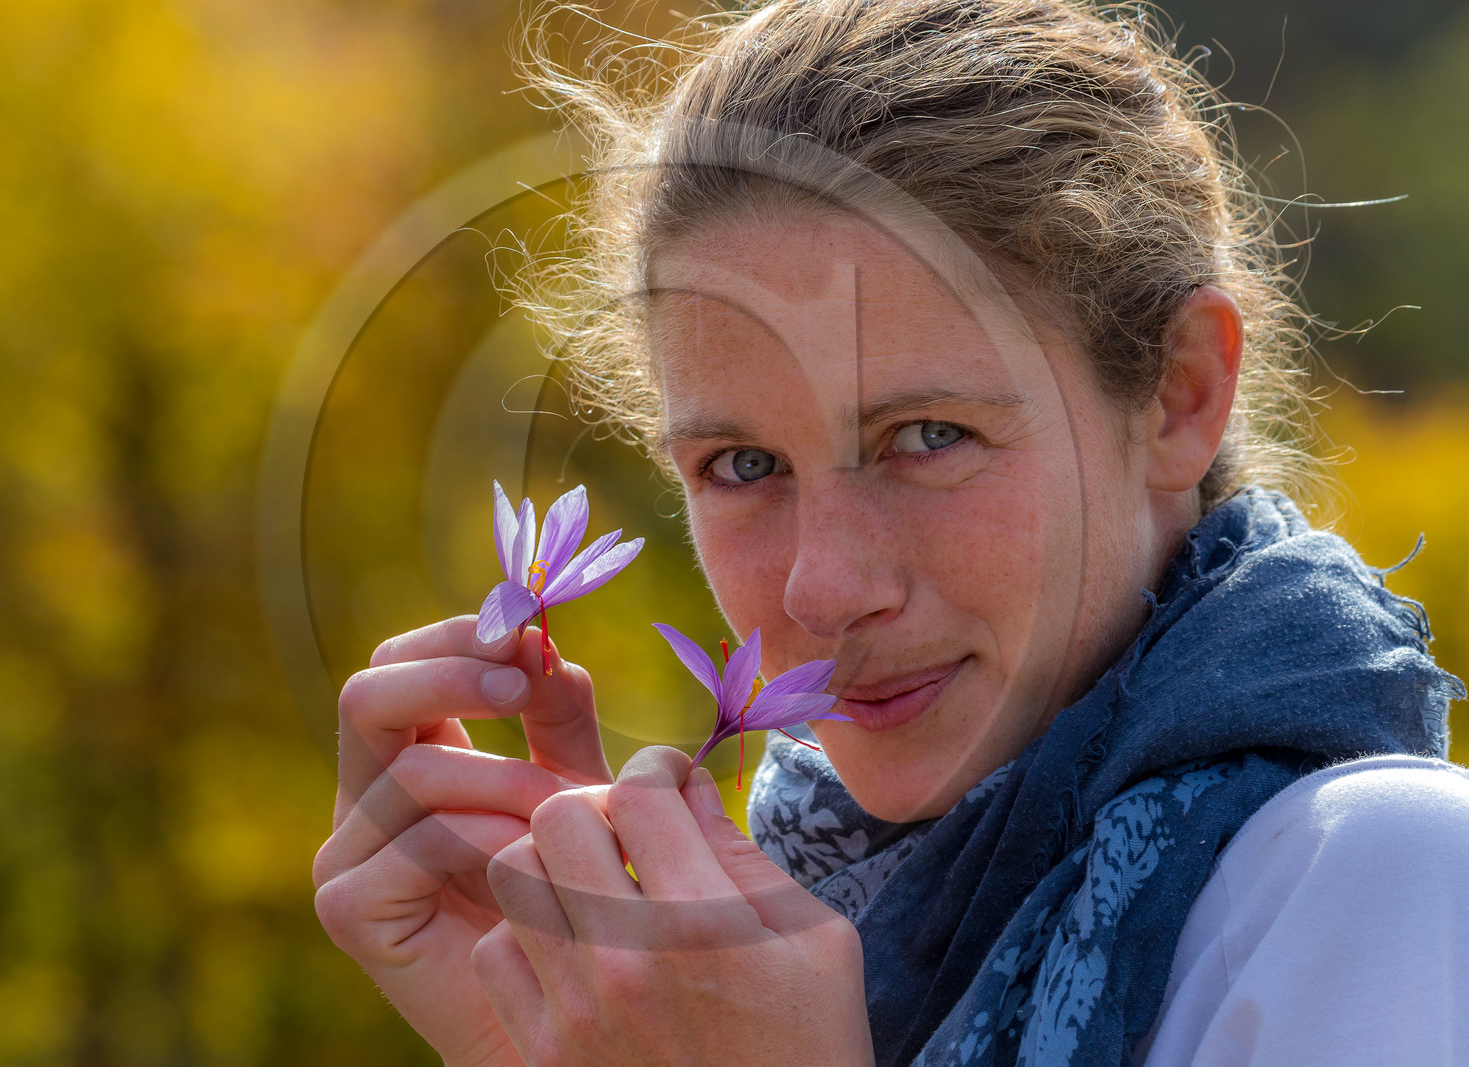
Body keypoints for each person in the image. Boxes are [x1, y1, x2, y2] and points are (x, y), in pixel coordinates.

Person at [312, 1, 1469, 1063]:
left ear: (1175, 392)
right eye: (743, 465)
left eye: (927, 436)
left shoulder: (1386, 883)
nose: (823, 586)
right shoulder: (762, 953)